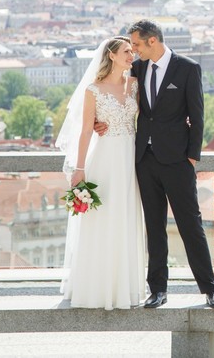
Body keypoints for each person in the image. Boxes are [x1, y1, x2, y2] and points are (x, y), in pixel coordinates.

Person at [101, 19, 214, 310]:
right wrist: (100, 120)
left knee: (190, 225)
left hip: (177, 161)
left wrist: (191, 157)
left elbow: (198, 115)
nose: (133, 51)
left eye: (137, 45)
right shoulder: (139, 68)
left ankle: (210, 290)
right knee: (154, 228)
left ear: (153, 40)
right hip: (144, 159)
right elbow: (112, 92)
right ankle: (157, 290)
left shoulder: (188, 68)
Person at [57, 36, 145, 310]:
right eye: (126, 51)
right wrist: (79, 169)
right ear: (111, 55)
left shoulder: (135, 85)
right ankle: (96, 286)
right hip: (105, 158)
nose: (132, 55)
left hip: (130, 157)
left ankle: (124, 287)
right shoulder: (92, 90)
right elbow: (85, 131)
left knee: (126, 217)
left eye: (132, 50)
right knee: (102, 219)